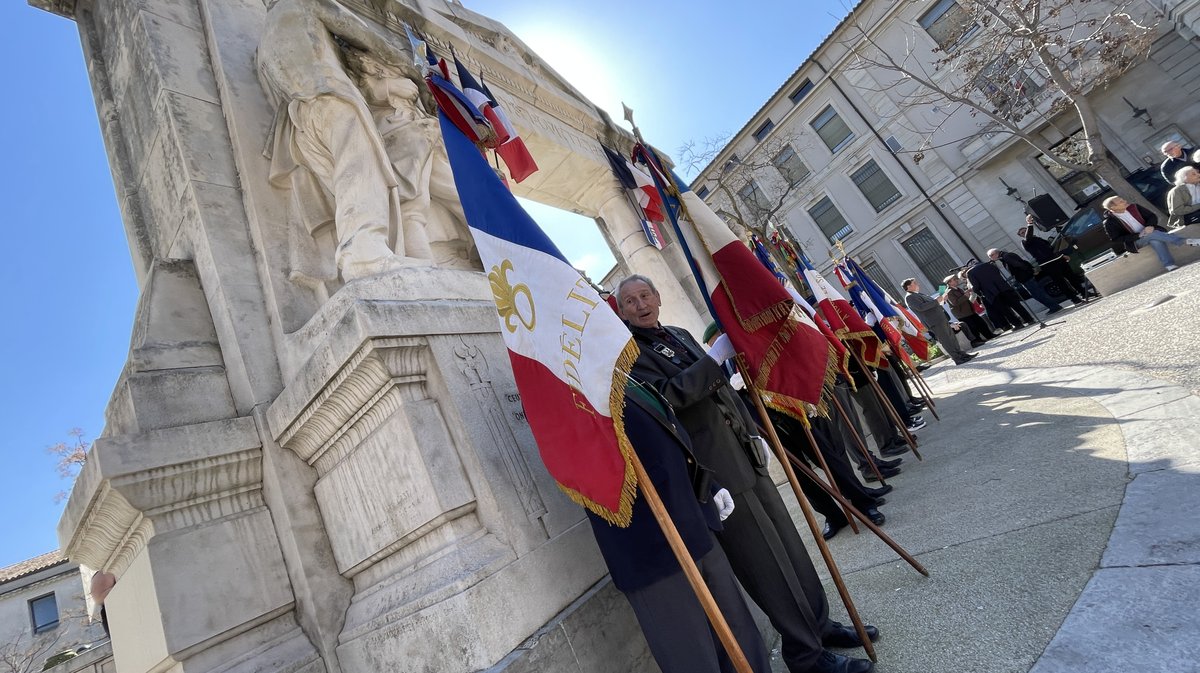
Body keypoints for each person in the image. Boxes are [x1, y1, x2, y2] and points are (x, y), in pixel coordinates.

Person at [616, 275, 877, 673]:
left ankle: (820, 626)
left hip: (744, 453)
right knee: (767, 567)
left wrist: (752, 431)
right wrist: (713, 359)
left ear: (658, 297)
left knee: (791, 548)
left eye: (645, 295)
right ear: (621, 311)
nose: (639, 304)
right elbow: (666, 399)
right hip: (716, 473)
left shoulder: (681, 333)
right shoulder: (630, 355)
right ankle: (805, 656)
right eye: (630, 301)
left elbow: (721, 391)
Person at [586, 379, 773, 673]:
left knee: (742, 641)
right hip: (652, 550)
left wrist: (707, 487)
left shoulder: (626, 375)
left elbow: (669, 441)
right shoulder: (570, 388)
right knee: (694, 659)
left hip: (695, 525)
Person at [257, 0, 433, 281]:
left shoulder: (264, 45)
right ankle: (364, 253)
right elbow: (362, 34)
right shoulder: (303, 3)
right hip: (332, 101)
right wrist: (415, 74)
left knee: (352, 184)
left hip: (301, 124)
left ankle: (368, 250)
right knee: (363, 170)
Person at [1101, 195, 1200, 271]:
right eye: (1121, 202)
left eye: (1123, 199)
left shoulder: (1135, 207)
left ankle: (1169, 265)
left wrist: (1149, 226)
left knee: (1154, 240)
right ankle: (1183, 241)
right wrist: (1138, 235)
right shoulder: (1109, 222)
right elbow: (1116, 238)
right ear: (1113, 207)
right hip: (1136, 241)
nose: (1125, 201)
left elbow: (1152, 216)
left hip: (1152, 232)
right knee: (1152, 235)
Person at [902, 279, 975, 365]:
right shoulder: (910, 297)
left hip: (940, 319)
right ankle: (957, 358)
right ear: (908, 287)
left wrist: (942, 299)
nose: (918, 284)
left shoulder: (917, 294)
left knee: (952, 338)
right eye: (914, 283)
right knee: (946, 340)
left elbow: (934, 304)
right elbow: (921, 307)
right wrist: (937, 300)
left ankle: (962, 355)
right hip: (934, 322)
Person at [1018, 223, 1092, 301]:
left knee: (1072, 277)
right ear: (1021, 236)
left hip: (1058, 259)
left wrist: (1062, 255)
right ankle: (1074, 298)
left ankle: (1083, 293)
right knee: (1061, 282)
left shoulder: (1038, 238)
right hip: (1048, 264)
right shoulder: (1025, 242)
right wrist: (1029, 224)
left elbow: (1051, 249)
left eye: (1025, 230)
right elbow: (1028, 236)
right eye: (1022, 233)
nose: (1025, 232)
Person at [990, 248, 1078, 313]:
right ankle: (1053, 306)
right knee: (1038, 293)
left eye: (991, 256)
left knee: (1037, 294)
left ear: (995, 254)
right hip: (1025, 276)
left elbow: (1019, 265)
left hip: (1025, 277)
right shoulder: (1006, 256)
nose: (991, 258)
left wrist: (1029, 272)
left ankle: (1054, 307)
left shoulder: (1006, 256)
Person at [965, 258, 1035, 331]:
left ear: (969, 265)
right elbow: (998, 273)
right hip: (1004, 288)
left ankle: (1018, 324)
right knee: (1016, 305)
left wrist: (980, 294)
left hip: (991, 293)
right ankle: (1029, 319)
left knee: (1005, 310)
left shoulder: (970, 272)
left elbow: (976, 286)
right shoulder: (989, 264)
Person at [943, 275, 995, 345]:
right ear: (949, 283)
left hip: (970, 311)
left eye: (956, 279)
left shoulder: (957, 289)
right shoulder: (948, 292)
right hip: (962, 313)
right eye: (954, 279)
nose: (957, 280)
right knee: (972, 328)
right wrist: (965, 295)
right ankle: (976, 341)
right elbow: (954, 303)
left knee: (981, 323)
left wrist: (967, 294)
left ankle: (989, 336)